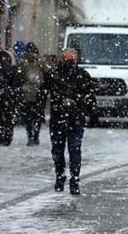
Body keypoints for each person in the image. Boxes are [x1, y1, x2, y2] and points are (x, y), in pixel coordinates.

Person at [41, 48, 96, 195]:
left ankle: (73, 179)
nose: (69, 62)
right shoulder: (54, 74)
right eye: (67, 60)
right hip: (61, 118)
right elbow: (43, 93)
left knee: (73, 150)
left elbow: (90, 97)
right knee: (59, 151)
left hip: (73, 119)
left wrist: (89, 111)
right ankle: (62, 176)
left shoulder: (81, 75)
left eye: (71, 60)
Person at [0, 50, 24, 146]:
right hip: (9, 99)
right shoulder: (13, 70)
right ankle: (6, 137)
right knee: (8, 120)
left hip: (0, 99)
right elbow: (18, 84)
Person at [18, 43, 45, 146]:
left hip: (27, 94)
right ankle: (36, 136)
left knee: (28, 117)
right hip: (39, 93)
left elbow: (18, 78)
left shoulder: (22, 63)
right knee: (37, 117)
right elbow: (47, 76)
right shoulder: (41, 63)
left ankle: (30, 137)